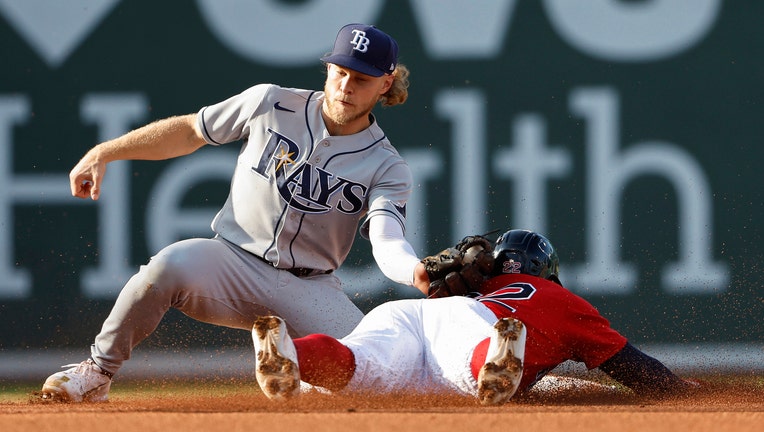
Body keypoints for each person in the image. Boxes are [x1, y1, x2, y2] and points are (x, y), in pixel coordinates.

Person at [41, 23, 432, 403]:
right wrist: (105, 150)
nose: (346, 87)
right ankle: (97, 372)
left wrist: (411, 270)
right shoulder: (271, 103)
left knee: (372, 371)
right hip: (231, 261)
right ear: (327, 69)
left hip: (309, 286)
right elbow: (191, 131)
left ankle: (298, 371)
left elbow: (386, 238)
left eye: (362, 78)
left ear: (386, 83)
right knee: (166, 267)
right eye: (340, 72)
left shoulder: (387, 166)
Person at [252, 229, 696, 405]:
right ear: (547, 272)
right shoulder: (565, 303)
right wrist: (681, 391)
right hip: (471, 326)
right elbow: (633, 368)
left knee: (355, 362)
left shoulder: (476, 280)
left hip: (411, 315)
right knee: (475, 364)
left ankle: (291, 353)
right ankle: (495, 355)